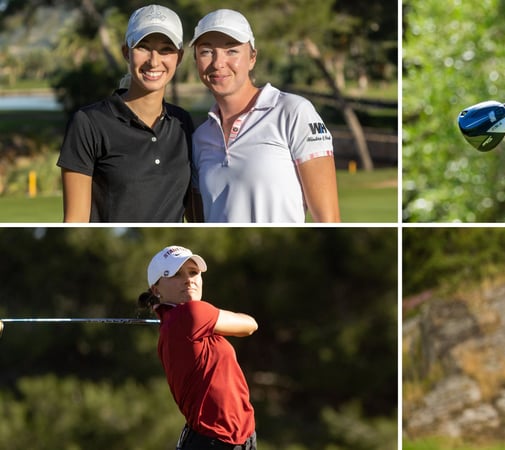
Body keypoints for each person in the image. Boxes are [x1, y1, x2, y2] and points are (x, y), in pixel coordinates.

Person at [189, 9, 340, 223]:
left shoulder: (294, 112)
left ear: (252, 58)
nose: (218, 63)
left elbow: (329, 220)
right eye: (206, 51)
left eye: (231, 51)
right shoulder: (200, 137)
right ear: (195, 60)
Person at [57, 5, 200, 222]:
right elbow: (75, 221)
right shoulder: (88, 123)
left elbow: (195, 217)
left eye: (165, 49)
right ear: (126, 52)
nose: (154, 61)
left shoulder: (183, 122)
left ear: (179, 57)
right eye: (143, 47)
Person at [139, 245, 258, 449]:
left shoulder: (175, 321)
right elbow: (250, 324)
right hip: (215, 442)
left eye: (193, 272)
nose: (189, 280)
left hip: (238, 439)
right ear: (156, 289)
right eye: (176, 274)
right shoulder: (191, 314)